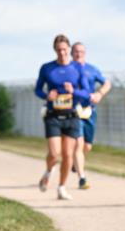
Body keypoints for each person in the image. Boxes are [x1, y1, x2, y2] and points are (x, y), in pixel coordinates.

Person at [35, 34, 91, 201]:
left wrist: (74, 91)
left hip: (72, 115)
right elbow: (37, 90)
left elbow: (87, 93)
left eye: (65, 50)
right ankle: (48, 171)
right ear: (55, 50)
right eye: (59, 50)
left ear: (69, 49)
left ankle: (61, 187)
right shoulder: (47, 68)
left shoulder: (78, 68)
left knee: (67, 155)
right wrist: (47, 95)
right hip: (53, 115)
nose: (62, 53)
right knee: (54, 153)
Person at [70, 41, 112, 190]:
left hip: (89, 111)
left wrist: (99, 94)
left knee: (87, 146)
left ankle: (75, 165)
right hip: (73, 111)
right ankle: (82, 178)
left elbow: (107, 83)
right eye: (75, 51)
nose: (78, 54)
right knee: (78, 144)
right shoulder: (68, 69)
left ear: (85, 53)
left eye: (81, 51)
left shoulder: (92, 69)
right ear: (71, 53)